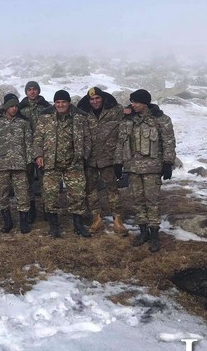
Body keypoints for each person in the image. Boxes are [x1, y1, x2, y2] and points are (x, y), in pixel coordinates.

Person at [114, 89, 176, 252]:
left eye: (136, 102)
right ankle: (143, 233)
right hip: (133, 168)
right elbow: (121, 142)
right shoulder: (127, 120)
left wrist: (168, 163)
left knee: (152, 202)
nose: (133, 105)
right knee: (138, 201)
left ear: (145, 103)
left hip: (152, 168)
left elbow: (169, 142)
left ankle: (154, 234)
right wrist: (118, 163)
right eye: (132, 102)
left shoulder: (161, 119)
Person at [33, 90, 91, 238]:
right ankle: (54, 226)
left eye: (63, 102)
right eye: (57, 102)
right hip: (51, 162)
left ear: (69, 103)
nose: (60, 105)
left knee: (78, 194)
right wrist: (38, 155)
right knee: (50, 194)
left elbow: (87, 138)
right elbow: (38, 138)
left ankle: (78, 225)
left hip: (73, 162)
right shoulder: (45, 117)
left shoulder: (79, 117)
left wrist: (84, 155)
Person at [77, 87, 129, 236]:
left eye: (97, 98)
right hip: (90, 158)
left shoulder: (115, 110)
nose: (95, 101)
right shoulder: (83, 113)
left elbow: (132, 114)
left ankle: (117, 220)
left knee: (112, 189)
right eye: (92, 99)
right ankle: (97, 218)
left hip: (109, 158)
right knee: (90, 190)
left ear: (103, 98)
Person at [0, 93, 33, 234]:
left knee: (23, 194)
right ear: (6, 107)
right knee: (2, 194)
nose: (14, 109)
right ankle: (7, 222)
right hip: (1, 165)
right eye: (11, 106)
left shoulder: (23, 122)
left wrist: (30, 161)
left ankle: (23, 222)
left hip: (20, 164)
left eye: (16, 106)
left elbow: (28, 143)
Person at [18, 81, 52, 222]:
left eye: (35, 89)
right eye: (29, 90)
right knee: (27, 181)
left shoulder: (46, 108)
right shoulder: (20, 109)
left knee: (46, 180)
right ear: (26, 92)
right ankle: (30, 210)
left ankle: (47, 209)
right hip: (25, 150)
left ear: (38, 91)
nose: (32, 92)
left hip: (43, 150)